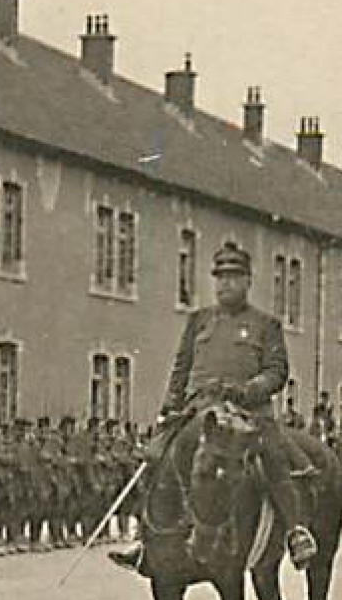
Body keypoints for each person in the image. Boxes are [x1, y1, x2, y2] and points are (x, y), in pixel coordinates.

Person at [109, 242, 318, 572]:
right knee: (153, 457)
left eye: (234, 278)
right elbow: (182, 367)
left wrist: (248, 390)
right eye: (220, 278)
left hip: (247, 412)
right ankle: (145, 540)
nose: (225, 284)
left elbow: (277, 371)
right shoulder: (199, 321)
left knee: (275, 457)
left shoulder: (266, 324)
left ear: (248, 281)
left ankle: (295, 531)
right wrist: (169, 408)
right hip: (198, 411)